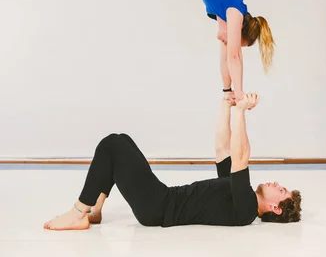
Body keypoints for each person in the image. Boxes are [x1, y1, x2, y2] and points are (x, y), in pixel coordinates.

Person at [43, 93, 301, 231]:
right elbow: (223, 148)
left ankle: (78, 212)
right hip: (160, 202)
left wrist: (242, 112)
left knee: (113, 144)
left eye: (280, 190)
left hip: (158, 208)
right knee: (123, 140)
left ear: (275, 208)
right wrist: (226, 104)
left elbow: (241, 155)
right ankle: (94, 210)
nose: (276, 183)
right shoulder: (239, 192)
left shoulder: (245, 209)